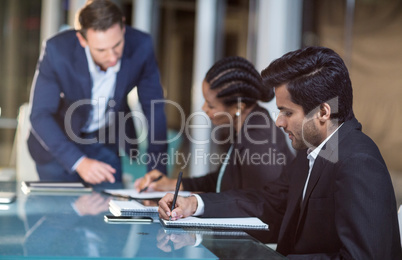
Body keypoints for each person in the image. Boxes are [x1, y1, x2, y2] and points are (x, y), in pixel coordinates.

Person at [158, 47, 402, 259]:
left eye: (287, 112)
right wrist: (193, 203)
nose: (278, 122)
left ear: (323, 113)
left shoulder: (359, 162)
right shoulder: (319, 150)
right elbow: (267, 201)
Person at [28, 0, 167, 185]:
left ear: (123, 28)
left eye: (117, 45)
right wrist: (79, 162)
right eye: (101, 50)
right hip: (58, 147)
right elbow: (40, 115)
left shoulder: (141, 45)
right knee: (61, 211)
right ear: (82, 40)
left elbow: (154, 108)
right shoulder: (57, 51)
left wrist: (157, 171)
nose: (112, 57)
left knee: (113, 206)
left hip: (105, 143)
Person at [134, 56, 293, 193]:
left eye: (211, 105)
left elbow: (258, 203)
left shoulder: (258, 139)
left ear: (238, 107)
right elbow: (223, 179)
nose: (203, 109)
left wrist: (196, 203)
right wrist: (173, 184)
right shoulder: (249, 126)